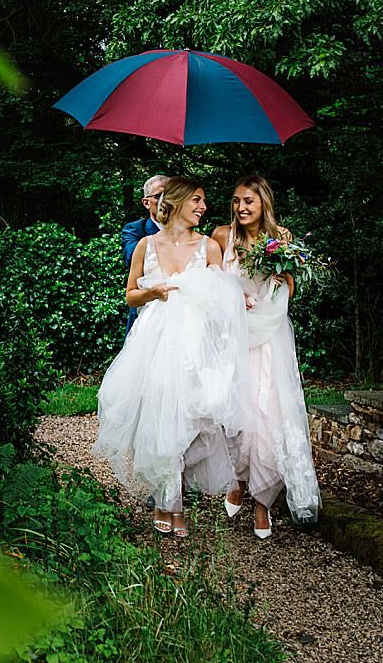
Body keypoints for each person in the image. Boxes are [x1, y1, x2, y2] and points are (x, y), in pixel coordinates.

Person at [94, 177, 251, 538]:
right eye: (197, 200)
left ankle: (175, 496)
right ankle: (168, 504)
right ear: (177, 202)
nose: (203, 207)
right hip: (155, 341)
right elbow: (130, 295)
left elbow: (224, 299)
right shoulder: (146, 246)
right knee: (162, 418)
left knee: (191, 422)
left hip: (196, 345)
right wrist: (153, 291)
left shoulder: (210, 247)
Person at [211, 175, 321, 539]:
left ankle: (262, 503)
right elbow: (210, 288)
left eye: (249, 202)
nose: (241, 207)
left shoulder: (282, 239)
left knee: (268, 415)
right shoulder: (221, 237)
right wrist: (232, 300)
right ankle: (238, 481)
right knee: (235, 417)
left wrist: (278, 279)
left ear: (263, 205)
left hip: (270, 337)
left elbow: (290, 289)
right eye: (237, 200)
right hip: (235, 337)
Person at [121, 174, 168, 333]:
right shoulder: (134, 230)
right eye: (159, 195)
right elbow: (132, 258)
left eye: (170, 195)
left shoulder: (189, 233)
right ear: (146, 202)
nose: (165, 200)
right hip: (146, 315)